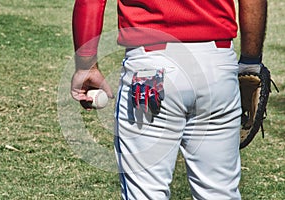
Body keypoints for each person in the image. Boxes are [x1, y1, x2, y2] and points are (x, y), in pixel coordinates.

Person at [70, 0, 268, 199]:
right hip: (217, 67)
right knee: (220, 192)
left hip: (150, 67)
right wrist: (250, 63)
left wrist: (86, 64)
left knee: (146, 192)